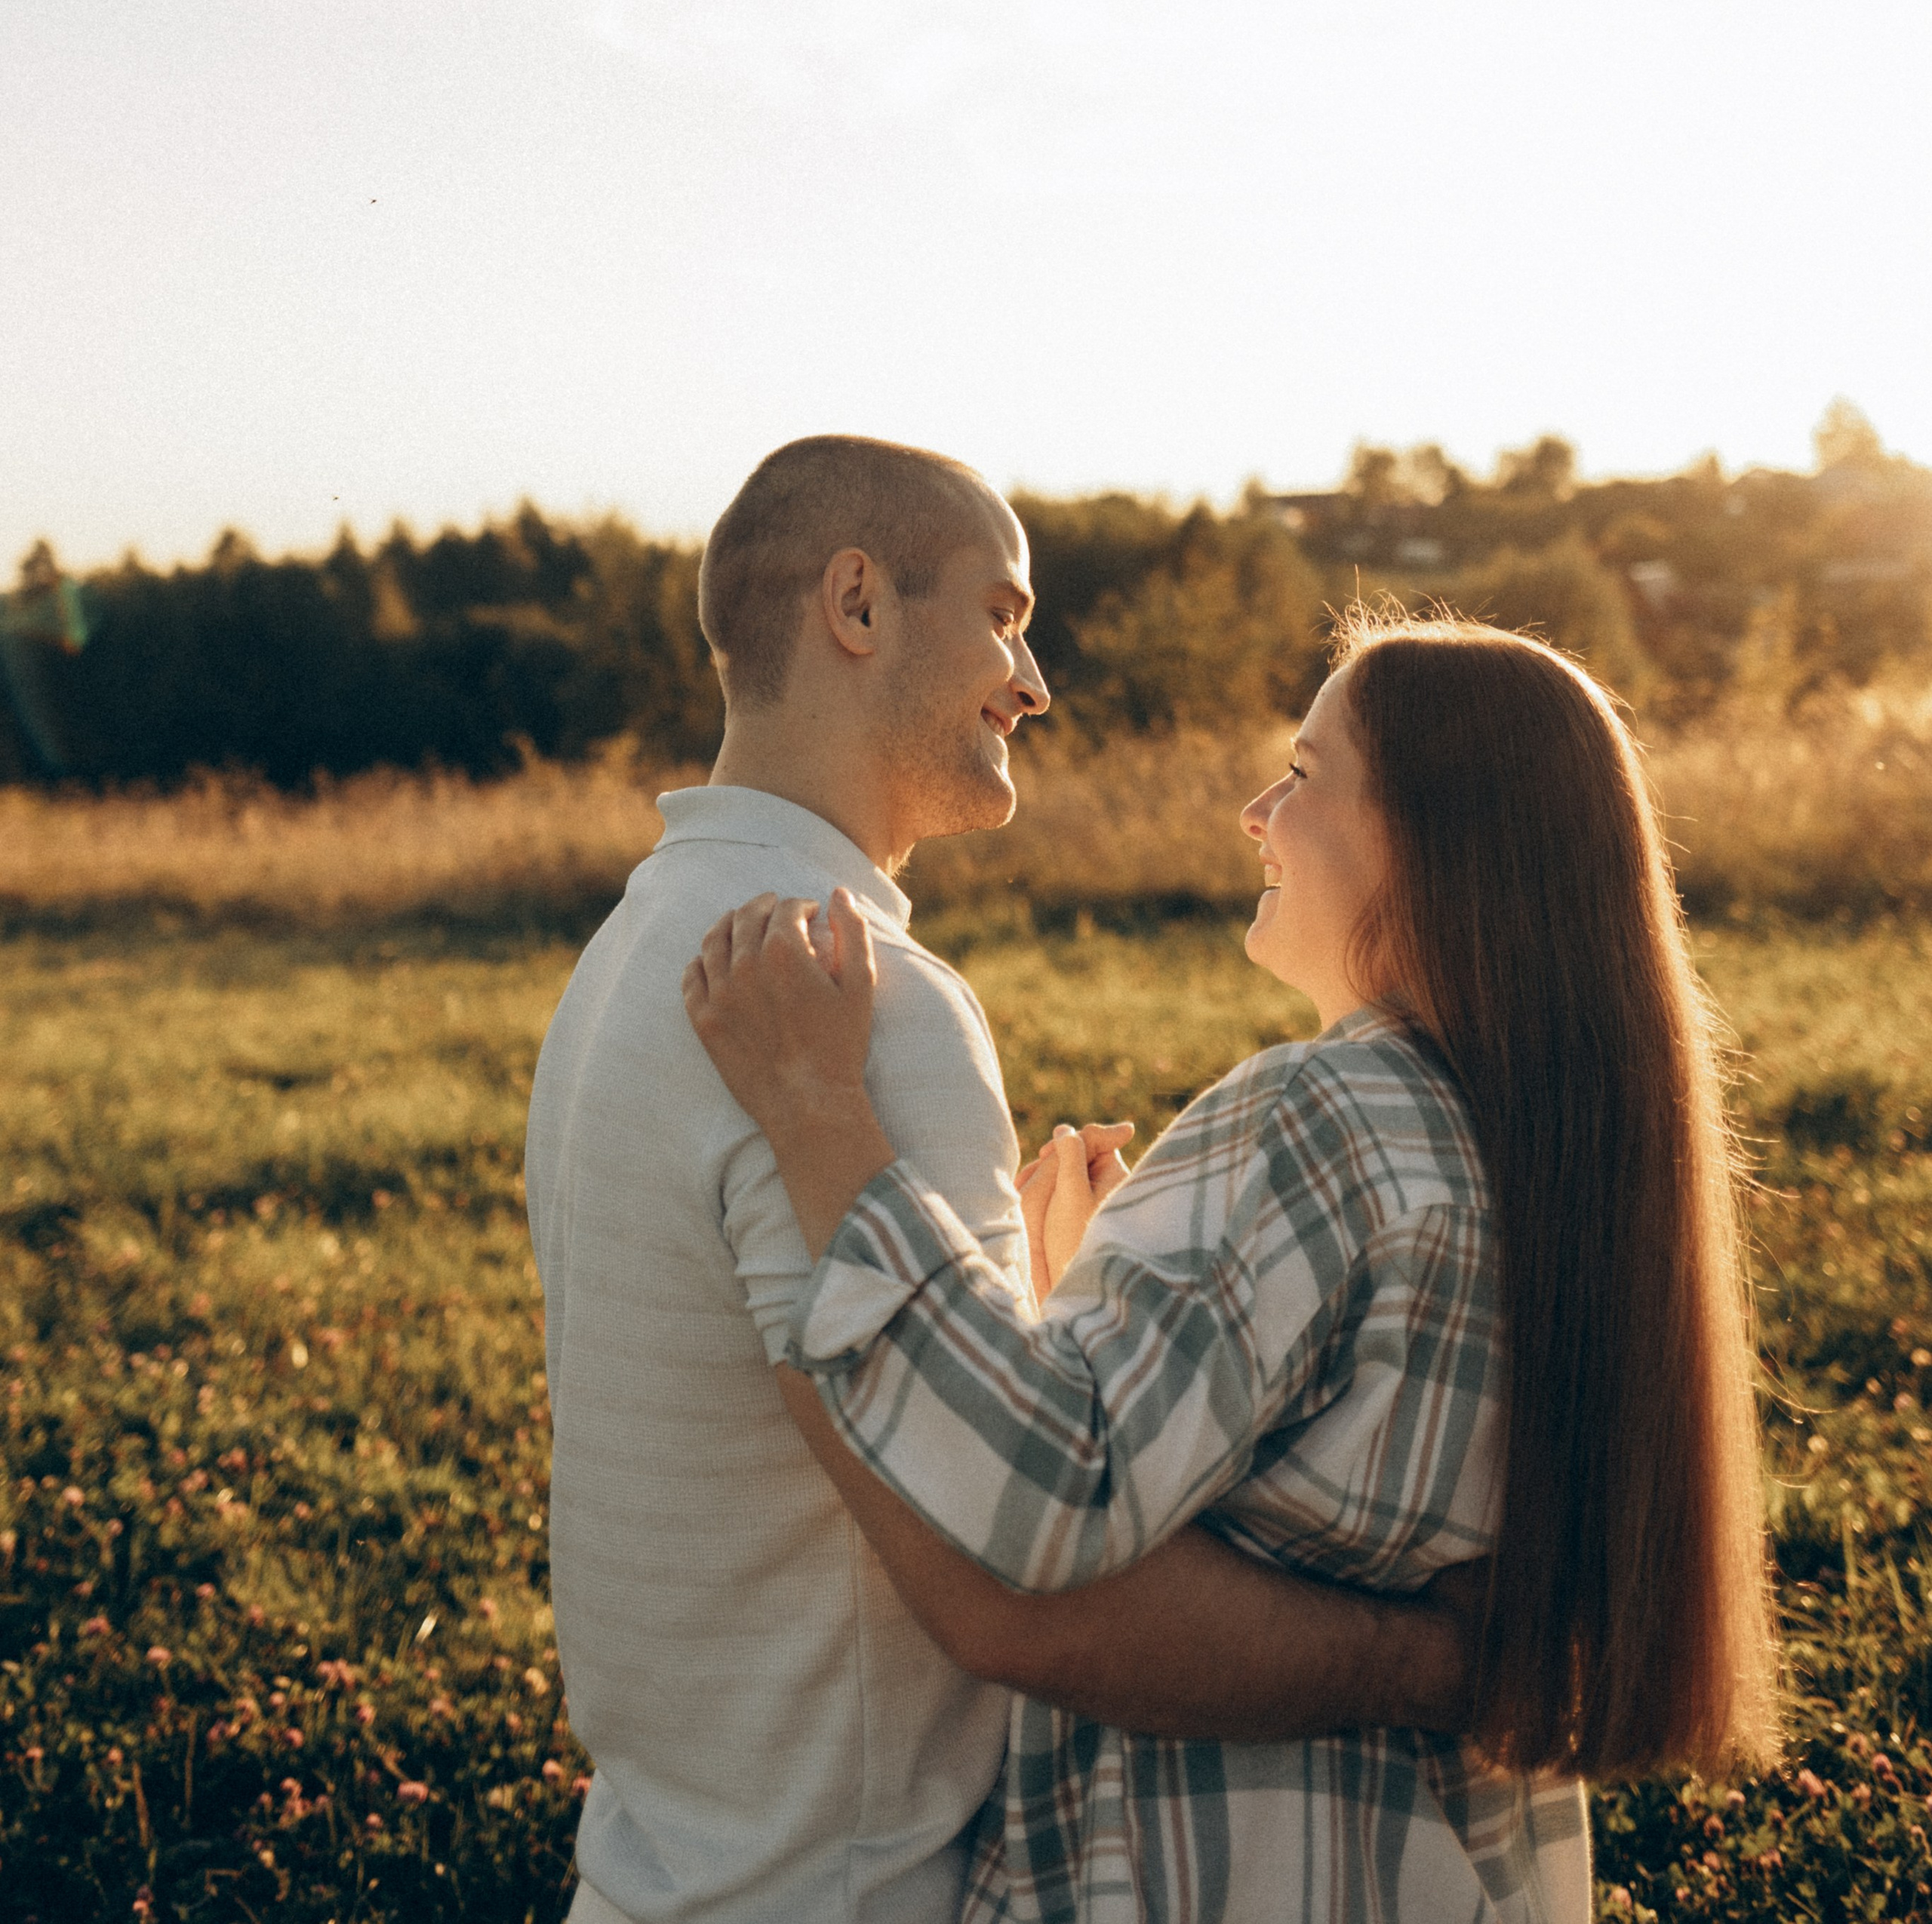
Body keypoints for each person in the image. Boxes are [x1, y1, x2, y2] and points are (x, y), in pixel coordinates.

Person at [685, 610, 1783, 1924]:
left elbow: (1045, 1496)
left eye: (1306, 775)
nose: (1257, 813)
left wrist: (819, 1115)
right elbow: (1343, 1481)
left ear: (1435, 837)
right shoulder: (1559, 1157)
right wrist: (1099, 1296)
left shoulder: (1325, 1117)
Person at [526, 440, 1481, 1924]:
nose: (1032, 682)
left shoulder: (626, 956)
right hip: (846, 1890)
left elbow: (845, 1422)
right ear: (856, 603)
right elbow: (1003, 1580)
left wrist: (1037, 1307)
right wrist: (1436, 1664)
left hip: (662, 1871)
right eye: (1002, 615)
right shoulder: (859, 997)